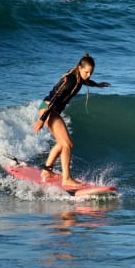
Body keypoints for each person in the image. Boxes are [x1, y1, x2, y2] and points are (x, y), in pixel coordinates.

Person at [33, 53, 110, 187]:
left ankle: (47, 171)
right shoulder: (70, 81)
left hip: (50, 109)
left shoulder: (78, 75)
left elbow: (85, 81)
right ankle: (66, 178)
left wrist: (97, 85)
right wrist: (42, 119)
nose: (89, 75)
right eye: (86, 72)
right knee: (67, 144)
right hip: (48, 109)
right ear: (80, 68)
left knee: (62, 143)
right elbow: (55, 98)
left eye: (91, 73)